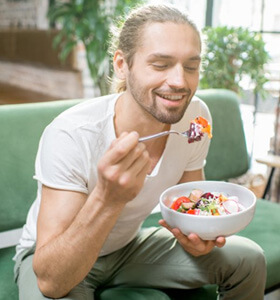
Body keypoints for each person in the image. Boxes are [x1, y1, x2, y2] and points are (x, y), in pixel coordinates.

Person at [14, 4, 266, 300]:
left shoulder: (195, 118)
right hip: (58, 256)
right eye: (160, 65)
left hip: (127, 249)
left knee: (249, 259)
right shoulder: (71, 134)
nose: (180, 82)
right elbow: (51, 281)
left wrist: (198, 234)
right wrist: (108, 198)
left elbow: (191, 201)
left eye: (191, 66)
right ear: (122, 64)